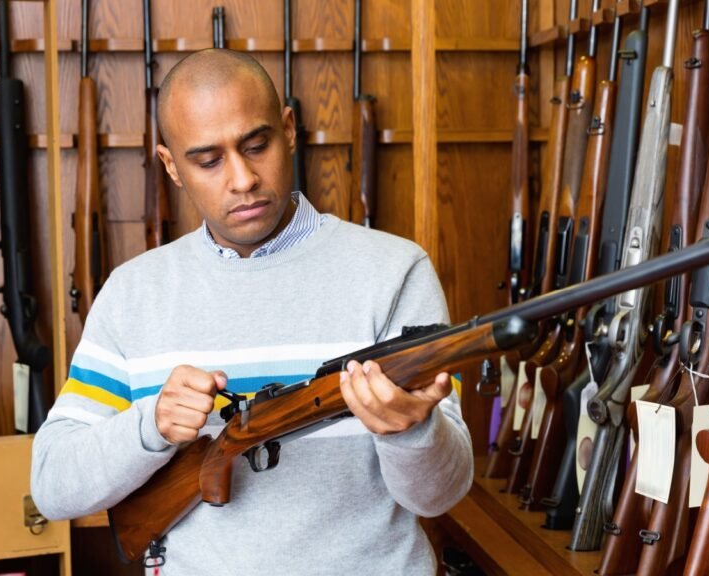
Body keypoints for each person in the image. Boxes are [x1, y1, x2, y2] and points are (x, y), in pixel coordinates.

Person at [31, 49, 473, 574]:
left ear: (288, 129)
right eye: (208, 160)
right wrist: (150, 425)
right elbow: (52, 486)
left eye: (256, 144)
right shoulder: (133, 292)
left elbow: (439, 496)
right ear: (171, 166)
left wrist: (409, 430)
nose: (242, 179)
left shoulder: (395, 270)